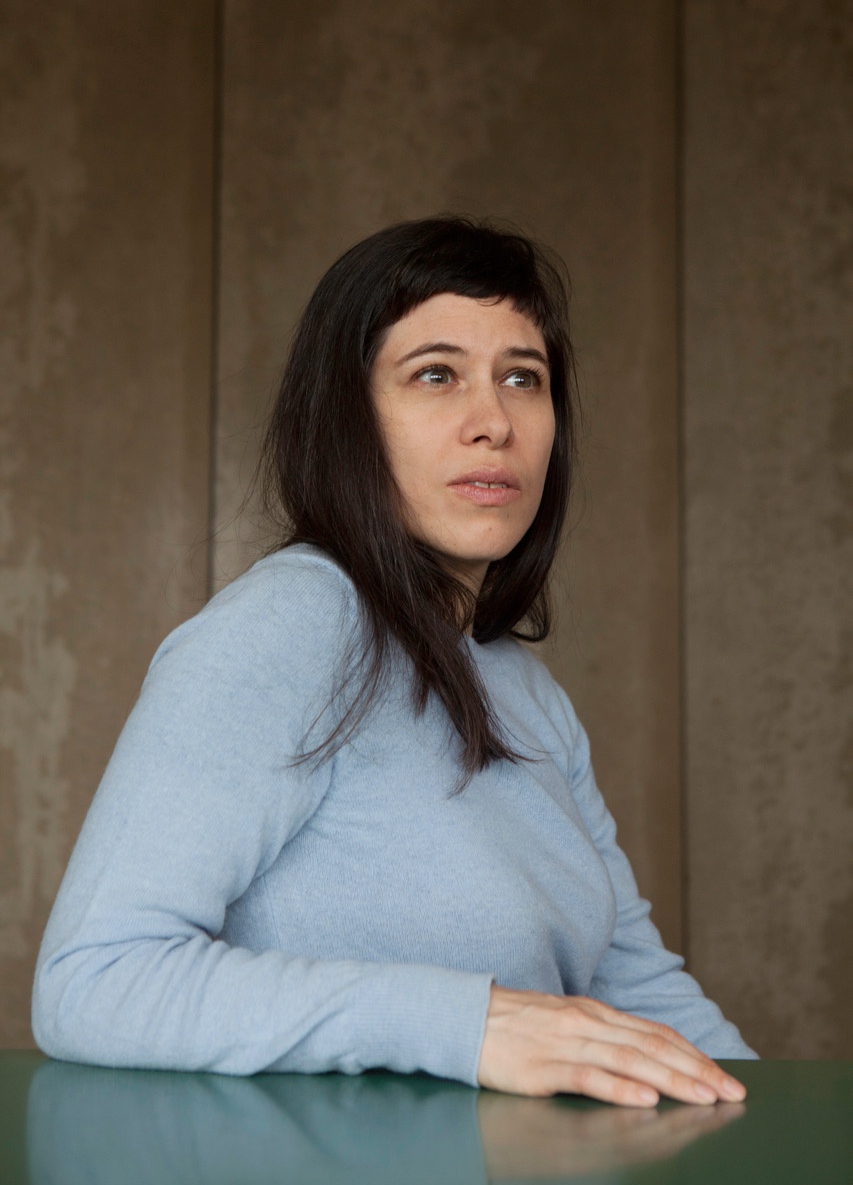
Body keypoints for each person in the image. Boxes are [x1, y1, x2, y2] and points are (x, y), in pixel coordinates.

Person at [32, 216, 756, 1106]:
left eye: (522, 378)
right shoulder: (286, 628)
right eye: (435, 375)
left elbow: (631, 985)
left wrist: (770, 1124)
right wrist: (466, 1022)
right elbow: (94, 981)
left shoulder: (525, 691)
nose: (493, 423)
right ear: (347, 419)